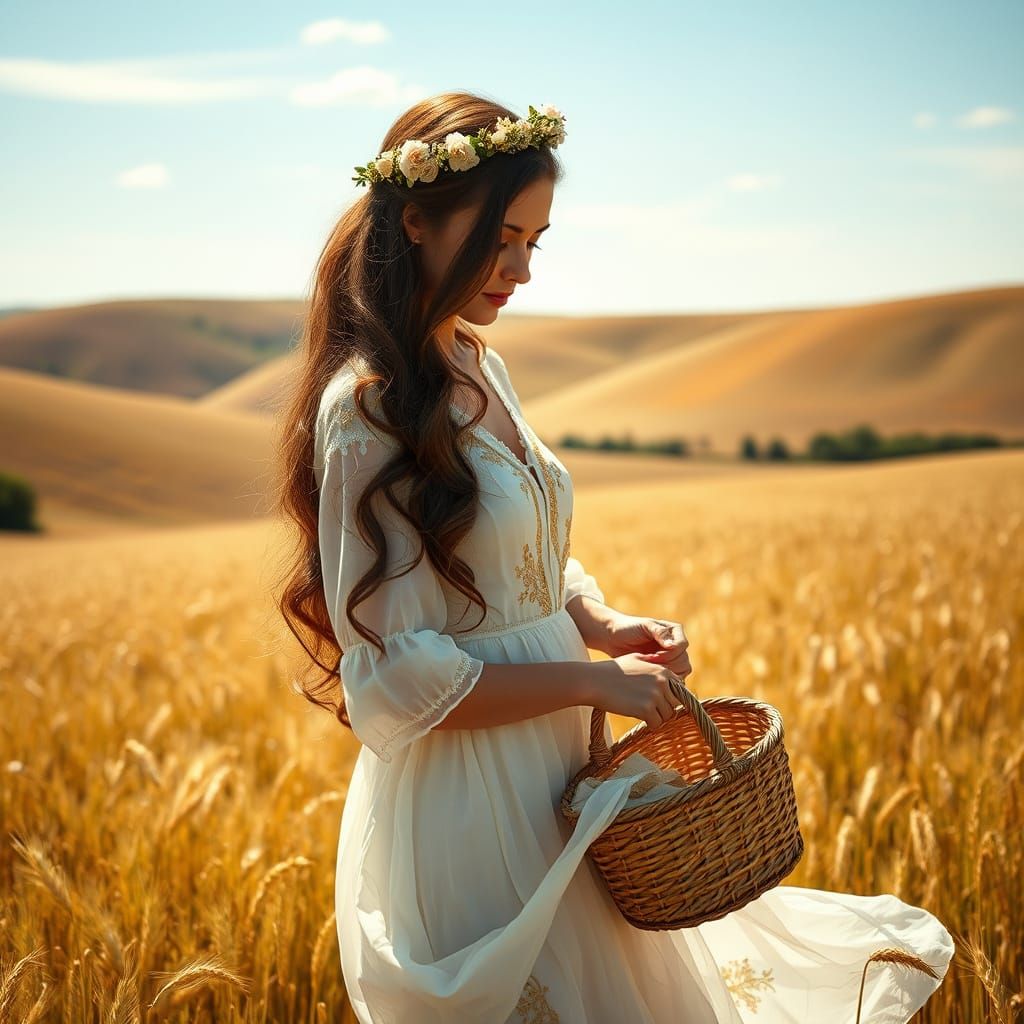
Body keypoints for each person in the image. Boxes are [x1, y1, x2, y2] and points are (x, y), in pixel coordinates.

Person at [276, 92, 954, 1024]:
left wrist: (598, 624)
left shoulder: (480, 364)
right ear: (416, 221)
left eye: (536, 242)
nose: (520, 269)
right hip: (471, 801)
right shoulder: (368, 408)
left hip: (558, 770)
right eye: (502, 237)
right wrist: (595, 684)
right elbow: (394, 676)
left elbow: (522, 558)